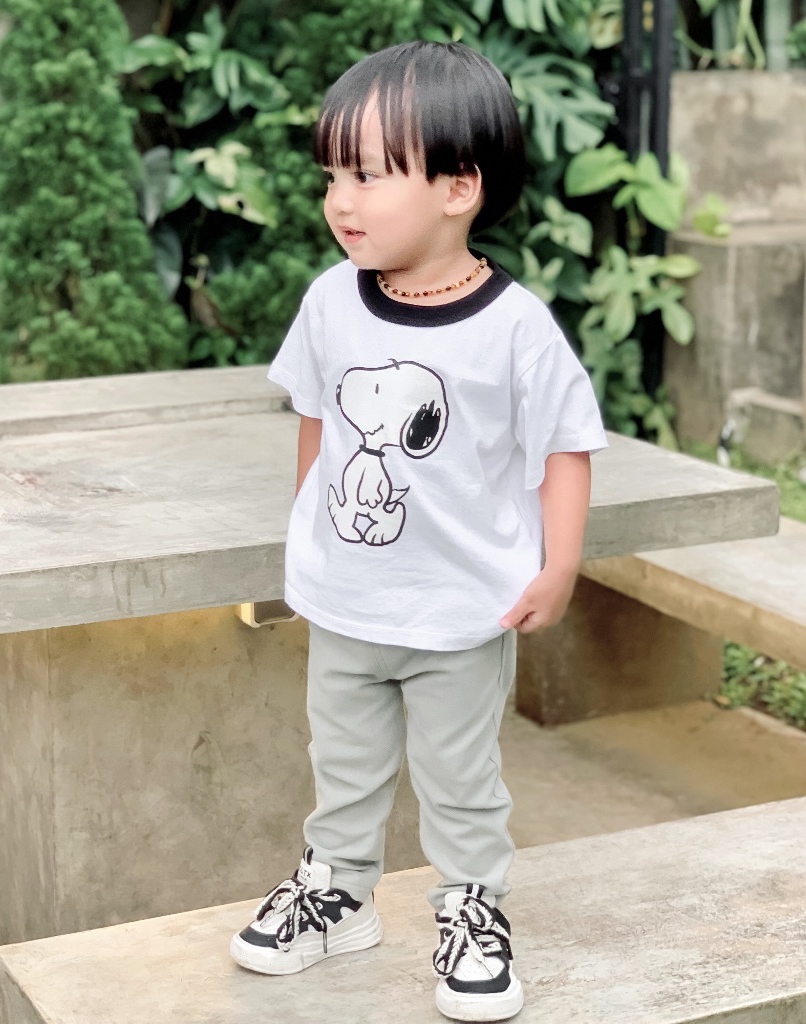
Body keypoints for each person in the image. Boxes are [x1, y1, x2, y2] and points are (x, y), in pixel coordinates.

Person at [228, 39, 608, 1023]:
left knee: (460, 776)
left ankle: (471, 905)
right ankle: (338, 892)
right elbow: (317, 416)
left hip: (461, 611)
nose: (340, 200)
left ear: (458, 188)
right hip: (348, 601)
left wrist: (560, 564)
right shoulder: (330, 300)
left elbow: (565, 445)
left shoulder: (514, 327)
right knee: (342, 760)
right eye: (332, 176)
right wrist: (309, 531)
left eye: (367, 175)